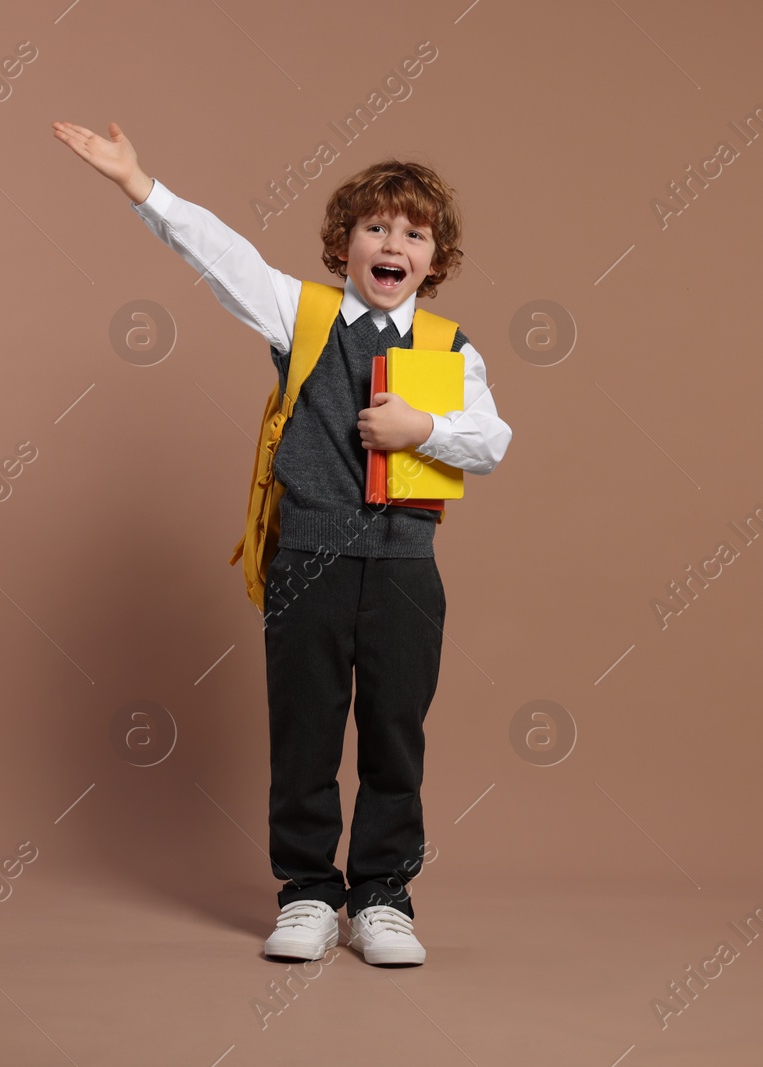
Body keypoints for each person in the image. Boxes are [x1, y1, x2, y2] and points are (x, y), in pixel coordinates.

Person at [53, 120, 512, 966]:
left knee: (394, 734)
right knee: (304, 730)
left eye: (414, 234)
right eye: (376, 227)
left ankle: (382, 898)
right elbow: (220, 253)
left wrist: (425, 426)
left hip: (407, 569)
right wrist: (137, 183)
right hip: (307, 560)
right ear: (344, 244)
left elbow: (491, 442)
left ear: (434, 260)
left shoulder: (450, 349)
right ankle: (306, 891)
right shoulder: (299, 314)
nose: (393, 244)